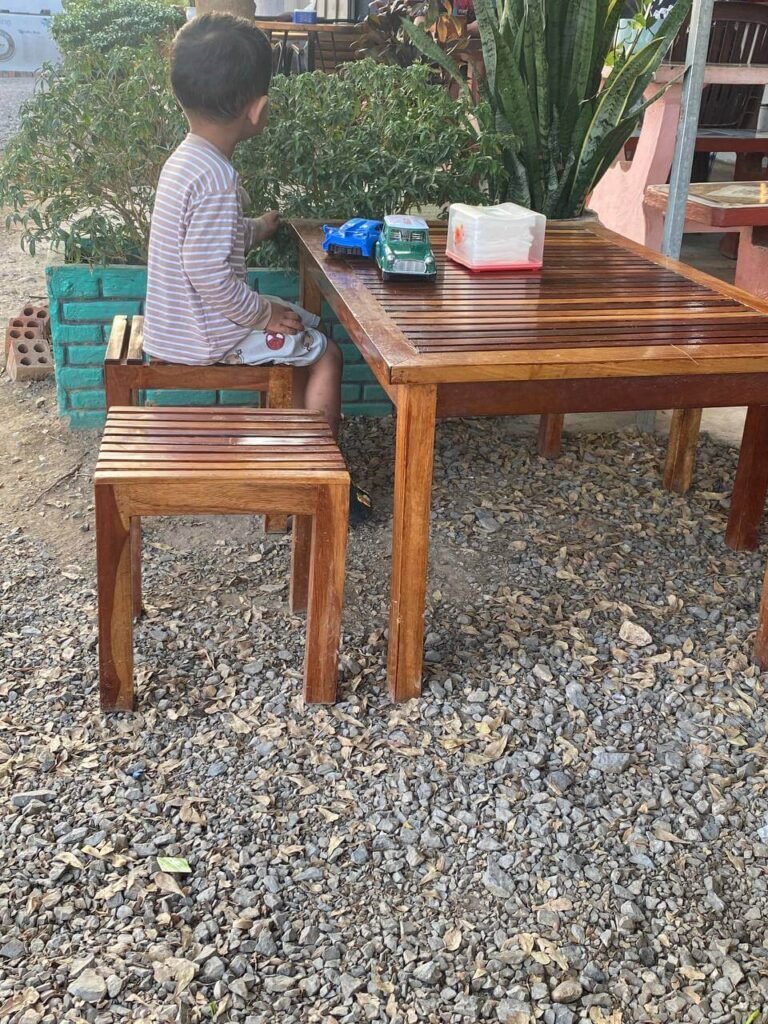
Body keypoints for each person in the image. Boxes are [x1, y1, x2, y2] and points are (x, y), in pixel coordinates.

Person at [143, 13, 371, 521]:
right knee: (326, 352)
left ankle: (293, 450)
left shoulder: (185, 162)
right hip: (203, 336)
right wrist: (263, 313)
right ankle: (318, 475)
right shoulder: (218, 178)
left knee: (305, 324)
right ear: (258, 110)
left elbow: (203, 242)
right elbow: (207, 272)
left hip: (175, 324)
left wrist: (255, 229)